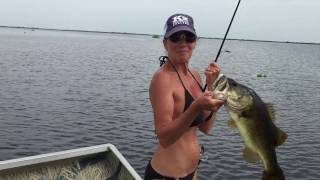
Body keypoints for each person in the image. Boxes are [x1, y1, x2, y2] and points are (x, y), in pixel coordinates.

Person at [144, 13, 225, 180]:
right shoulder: (162, 79)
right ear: (165, 43)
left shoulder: (194, 74)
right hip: (167, 175)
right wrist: (196, 106)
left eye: (189, 37)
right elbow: (165, 138)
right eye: (175, 38)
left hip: (192, 171)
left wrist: (211, 87)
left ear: (195, 42)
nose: (183, 43)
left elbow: (205, 128)